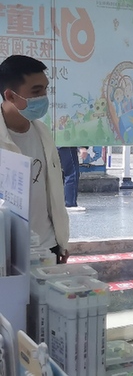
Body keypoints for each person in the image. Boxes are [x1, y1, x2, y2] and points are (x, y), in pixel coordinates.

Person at [0, 55, 69, 263]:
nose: (44, 98)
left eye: (46, 90)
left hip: (47, 246)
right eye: (36, 92)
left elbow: (52, 192)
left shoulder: (42, 132)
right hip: (7, 251)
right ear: (10, 96)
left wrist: (61, 242)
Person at [57, 146, 85, 212]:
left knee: (63, 172)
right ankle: (70, 203)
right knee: (72, 172)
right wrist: (81, 147)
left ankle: (64, 202)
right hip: (67, 145)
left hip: (58, 144)